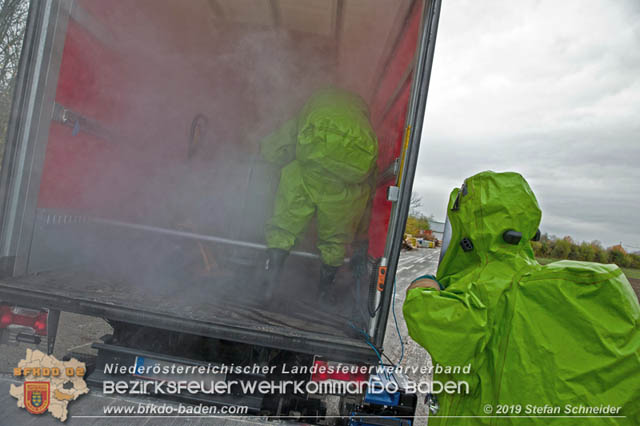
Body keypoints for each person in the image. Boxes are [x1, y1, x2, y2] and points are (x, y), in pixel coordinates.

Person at [403, 171, 640, 425]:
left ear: (470, 228)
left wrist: (422, 284)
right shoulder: (550, 287)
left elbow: (427, 316)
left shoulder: (485, 289)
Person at [260, 88, 378, 301]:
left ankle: (270, 284)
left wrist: (266, 157)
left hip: (306, 174)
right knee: (334, 242)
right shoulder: (363, 124)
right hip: (345, 187)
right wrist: (362, 237)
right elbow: (371, 180)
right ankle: (323, 294)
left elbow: (280, 144)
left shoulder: (314, 108)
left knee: (284, 227)